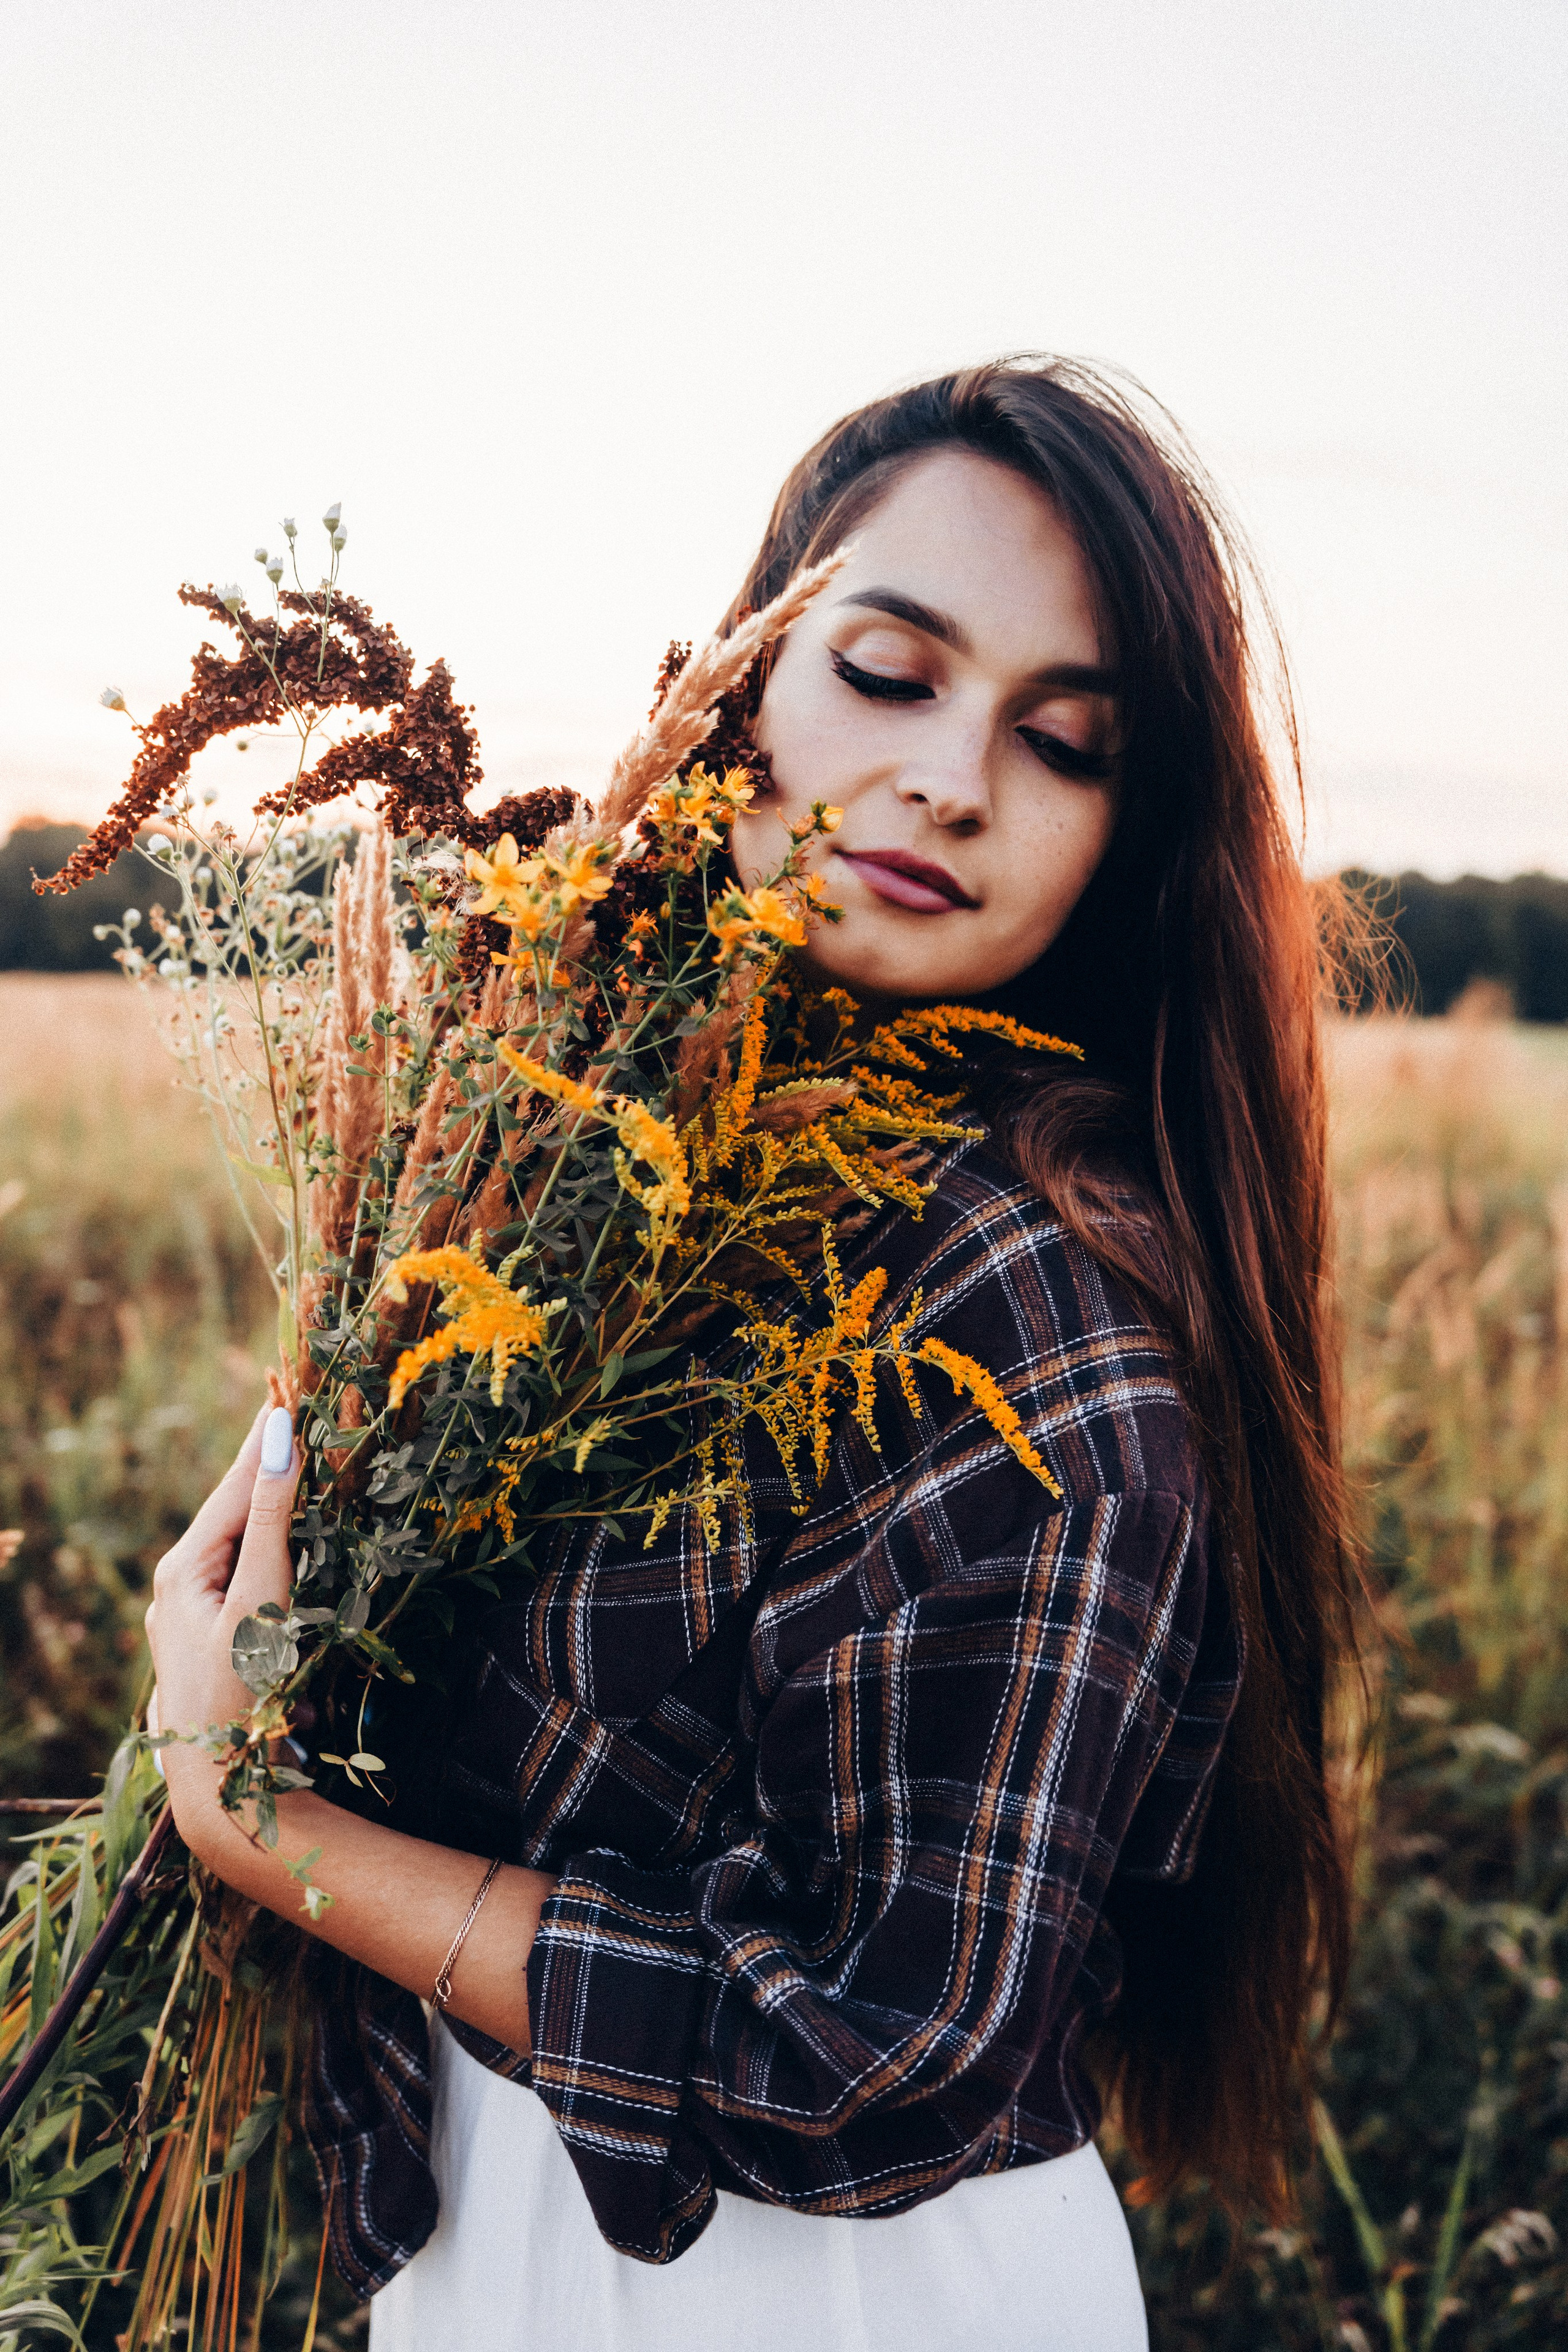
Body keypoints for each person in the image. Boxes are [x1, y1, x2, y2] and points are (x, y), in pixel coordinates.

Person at [145, 360, 1362, 2350]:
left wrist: (255, 1824)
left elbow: (887, 2051)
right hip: (513, 2242)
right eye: (888, 673)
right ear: (741, 682)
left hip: (824, 2296)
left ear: (1129, 843)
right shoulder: (589, 1155)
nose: (953, 778)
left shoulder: (1047, 1340)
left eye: (1060, 742)